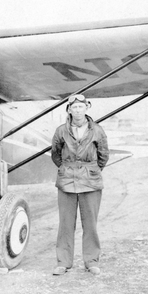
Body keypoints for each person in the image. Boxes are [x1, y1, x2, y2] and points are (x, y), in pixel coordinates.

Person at [50, 94, 109, 276]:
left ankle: (91, 262)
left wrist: (89, 170)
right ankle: (63, 262)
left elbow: (103, 156)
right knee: (65, 224)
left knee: (90, 223)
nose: (77, 110)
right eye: (74, 107)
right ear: (69, 110)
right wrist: (67, 168)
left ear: (86, 108)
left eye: (80, 107)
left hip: (90, 181)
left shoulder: (97, 130)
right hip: (66, 181)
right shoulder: (61, 131)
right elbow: (55, 154)